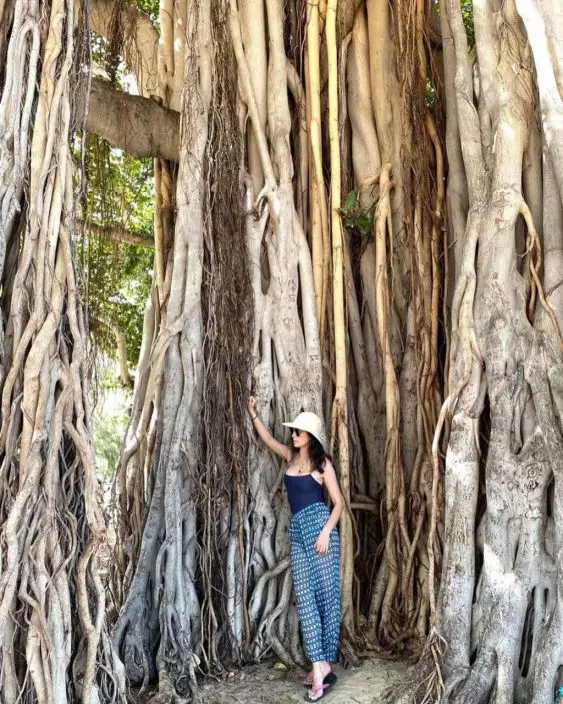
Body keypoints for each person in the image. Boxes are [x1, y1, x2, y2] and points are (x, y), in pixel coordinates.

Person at [247, 397, 344, 701]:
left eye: (298, 432)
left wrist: (326, 532)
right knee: (304, 599)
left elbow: (339, 503)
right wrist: (253, 412)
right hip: (298, 532)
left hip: (320, 530)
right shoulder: (290, 457)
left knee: (326, 598)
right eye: (293, 432)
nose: (293, 435)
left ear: (310, 436)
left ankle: (322, 666)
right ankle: (320, 664)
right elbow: (267, 439)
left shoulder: (322, 464)